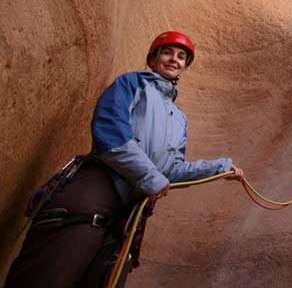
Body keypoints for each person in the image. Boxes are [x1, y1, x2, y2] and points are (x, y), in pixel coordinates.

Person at [5, 31, 244, 288]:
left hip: (126, 215)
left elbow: (169, 170)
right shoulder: (131, 84)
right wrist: (149, 177)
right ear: (152, 59)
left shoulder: (179, 118)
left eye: (181, 56)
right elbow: (111, 134)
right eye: (167, 52)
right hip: (96, 188)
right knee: (49, 274)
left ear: (185, 66)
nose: (174, 59)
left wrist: (220, 167)